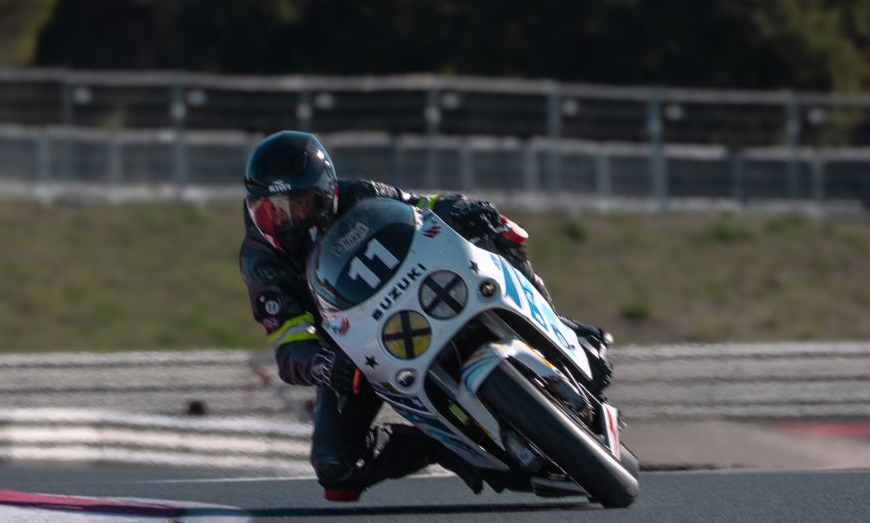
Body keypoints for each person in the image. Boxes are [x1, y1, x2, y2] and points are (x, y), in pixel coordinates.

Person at [240, 130, 614, 502]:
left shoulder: (359, 195)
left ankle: (563, 332)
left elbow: (421, 207)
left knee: (499, 234)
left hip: (426, 289)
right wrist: (323, 365)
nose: (284, 221)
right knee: (335, 470)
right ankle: (455, 447)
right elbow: (289, 346)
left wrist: (464, 209)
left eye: (297, 205)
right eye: (269, 211)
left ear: (325, 193)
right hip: (357, 347)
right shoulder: (261, 262)